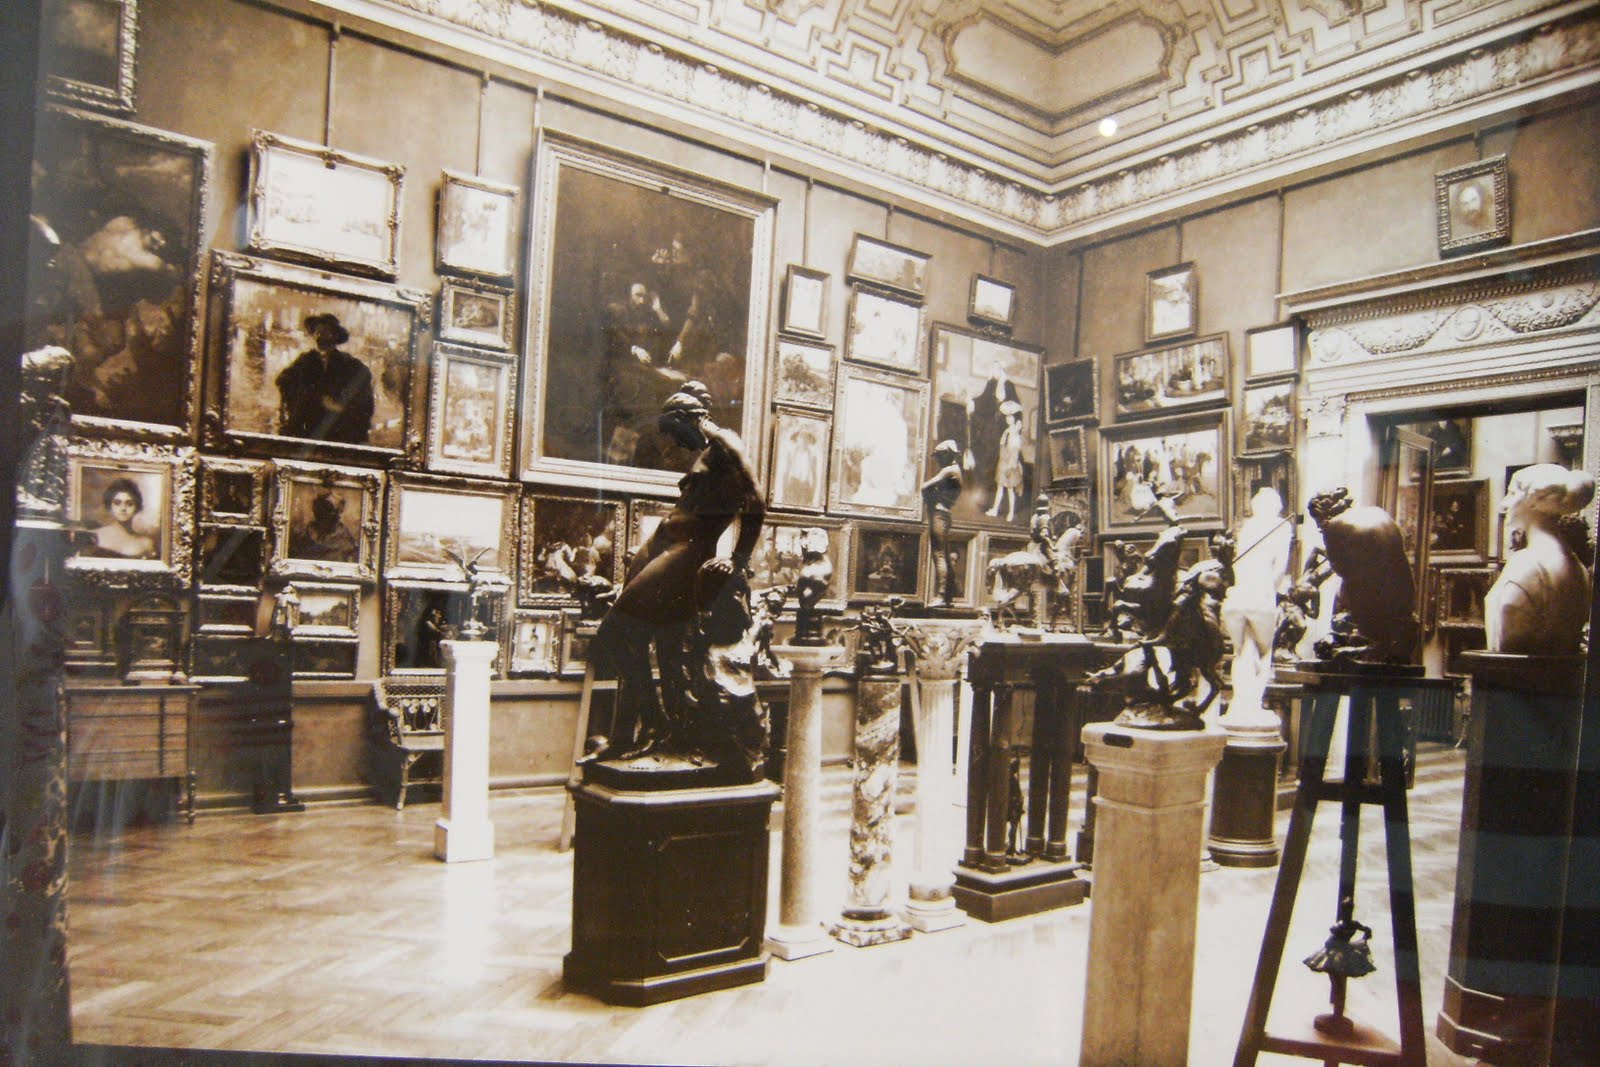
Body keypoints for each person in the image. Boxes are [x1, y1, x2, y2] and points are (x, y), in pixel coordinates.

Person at [587, 381, 766, 764]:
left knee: (614, 634)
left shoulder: (726, 443)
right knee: (645, 642)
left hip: (686, 552)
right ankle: (634, 734)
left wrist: (738, 559)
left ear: (688, 418)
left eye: (675, 433)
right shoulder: (708, 450)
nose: (676, 444)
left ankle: (655, 724)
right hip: (662, 544)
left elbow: (756, 500)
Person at [1485, 464, 1595, 655]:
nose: (1504, 503)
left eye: (1512, 493)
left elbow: (1508, 642)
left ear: (1535, 501)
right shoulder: (1578, 568)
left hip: (1515, 673)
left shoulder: (1527, 563)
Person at [1219, 488, 1293, 719]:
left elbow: (1236, 564)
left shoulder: (1246, 526)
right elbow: (1280, 567)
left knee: (1241, 651)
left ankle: (1240, 704)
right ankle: (1252, 705)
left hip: (1239, 593)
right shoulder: (1282, 526)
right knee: (1263, 653)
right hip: (1261, 593)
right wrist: (1270, 590)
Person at [275, 314, 375, 444]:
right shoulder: (306, 360)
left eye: (324, 332)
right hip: (308, 423)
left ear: (335, 336)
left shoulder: (349, 364)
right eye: (317, 332)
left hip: (336, 426)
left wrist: (339, 405)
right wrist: (303, 397)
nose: (319, 336)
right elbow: (283, 380)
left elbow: (362, 387)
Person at [967, 361, 1018, 512]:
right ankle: (985, 498)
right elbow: (983, 399)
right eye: (992, 369)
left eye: (995, 369)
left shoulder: (1009, 386)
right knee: (986, 460)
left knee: (1001, 463)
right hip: (990, 430)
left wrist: (1016, 423)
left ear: (1000, 369)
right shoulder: (991, 384)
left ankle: (1000, 501)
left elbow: (1017, 407)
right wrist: (972, 403)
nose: (993, 372)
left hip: (1004, 428)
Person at [921, 440, 963, 606]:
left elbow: (924, 487)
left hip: (938, 514)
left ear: (946, 454)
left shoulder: (949, 470)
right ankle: (948, 598)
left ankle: (941, 596)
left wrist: (930, 500)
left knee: (939, 555)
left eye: (939, 456)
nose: (937, 460)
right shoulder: (955, 470)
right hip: (944, 514)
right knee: (944, 554)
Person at [90, 476, 157, 559]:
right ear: (110, 506)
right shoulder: (94, 536)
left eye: (129, 504)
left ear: (137, 507)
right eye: (117, 503)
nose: (123, 508)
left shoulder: (146, 544)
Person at [292, 490, 359, 562]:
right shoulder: (304, 534)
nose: (337, 515)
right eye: (325, 509)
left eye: (337, 511)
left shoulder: (347, 541)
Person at [987, 400, 1026, 521]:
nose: (1008, 419)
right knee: (1000, 487)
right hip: (1003, 462)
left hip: (1010, 464)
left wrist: (1011, 465)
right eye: (1007, 417)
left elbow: (1015, 452)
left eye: (1011, 417)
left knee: (1009, 489)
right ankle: (995, 509)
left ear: (1016, 419)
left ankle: (1011, 512)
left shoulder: (1015, 435)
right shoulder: (1007, 431)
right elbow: (1002, 446)